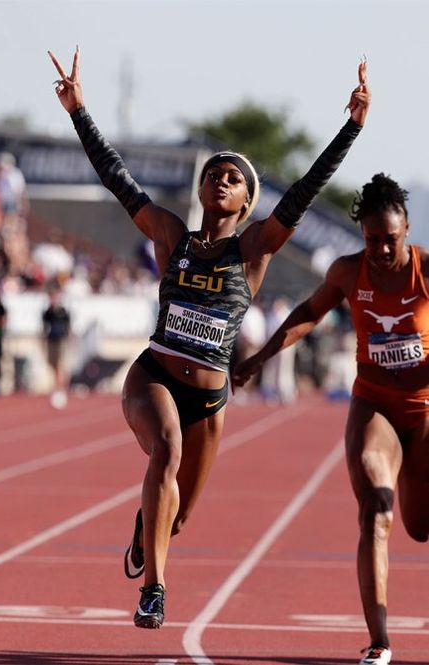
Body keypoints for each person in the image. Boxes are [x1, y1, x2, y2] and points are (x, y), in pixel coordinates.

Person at [49, 46, 370, 630]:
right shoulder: (169, 235)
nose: (222, 181)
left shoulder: (251, 252)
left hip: (212, 400)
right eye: (214, 176)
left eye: (234, 179)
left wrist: (350, 128)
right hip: (155, 375)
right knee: (165, 451)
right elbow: (119, 182)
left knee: (175, 519)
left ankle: (149, 532)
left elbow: (300, 193)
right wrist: (79, 113)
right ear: (202, 192)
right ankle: (154, 592)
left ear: (246, 202)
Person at [232, 174, 429, 665]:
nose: (381, 250)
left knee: (420, 526)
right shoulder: (348, 272)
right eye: (371, 240)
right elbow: (308, 313)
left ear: (406, 230)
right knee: (375, 513)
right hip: (375, 406)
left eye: (390, 240)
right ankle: (380, 641)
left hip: (425, 410)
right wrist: (260, 359)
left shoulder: (427, 269)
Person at [42, 282, 71, 409]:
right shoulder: (47, 312)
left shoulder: (63, 311)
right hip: (51, 340)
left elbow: (68, 327)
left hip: (61, 340)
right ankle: (58, 385)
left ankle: (60, 388)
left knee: (59, 364)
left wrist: (69, 340)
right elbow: (44, 328)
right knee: (52, 364)